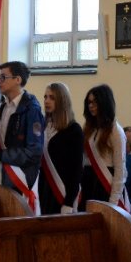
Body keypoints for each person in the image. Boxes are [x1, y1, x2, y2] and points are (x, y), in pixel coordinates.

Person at [0, 61, 44, 213]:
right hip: (0, 175)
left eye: (3, 77)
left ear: (18, 80)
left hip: (20, 179)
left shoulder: (31, 110)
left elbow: (34, 152)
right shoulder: (0, 108)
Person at [80, 84, 129, 211]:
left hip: (104, 183)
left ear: (105, 103)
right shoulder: (89, 128)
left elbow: (120, 169)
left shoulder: (115, 131)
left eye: (95, 102)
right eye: (89, 102)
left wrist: (114, 201)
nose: (91, 106)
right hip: (88, 181)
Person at [38, 82, 84, 215]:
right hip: (43, 188)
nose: (47, 101)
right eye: (45, 97)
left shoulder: (73, 129)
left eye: (52, 97)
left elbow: (76, 170)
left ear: (62, 101)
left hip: (62, 191)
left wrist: (69, 201)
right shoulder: (43, 125)